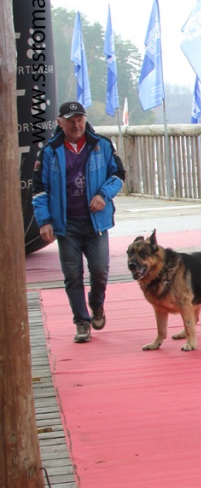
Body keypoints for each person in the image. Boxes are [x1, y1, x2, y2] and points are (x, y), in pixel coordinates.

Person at [33, 101, 125, 343]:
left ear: (85, 120)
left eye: (80, 119)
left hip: (96, 223)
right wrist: (44, 221)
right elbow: (39, 189)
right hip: (66, 224)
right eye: (70, 121)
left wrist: (103, 195)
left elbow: (118, 175)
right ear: (60, 123)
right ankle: (81, 322)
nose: (76, 125)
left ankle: (97, 303)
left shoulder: (102, 145)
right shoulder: (49, 151)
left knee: (100, 270)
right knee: (72, 275)